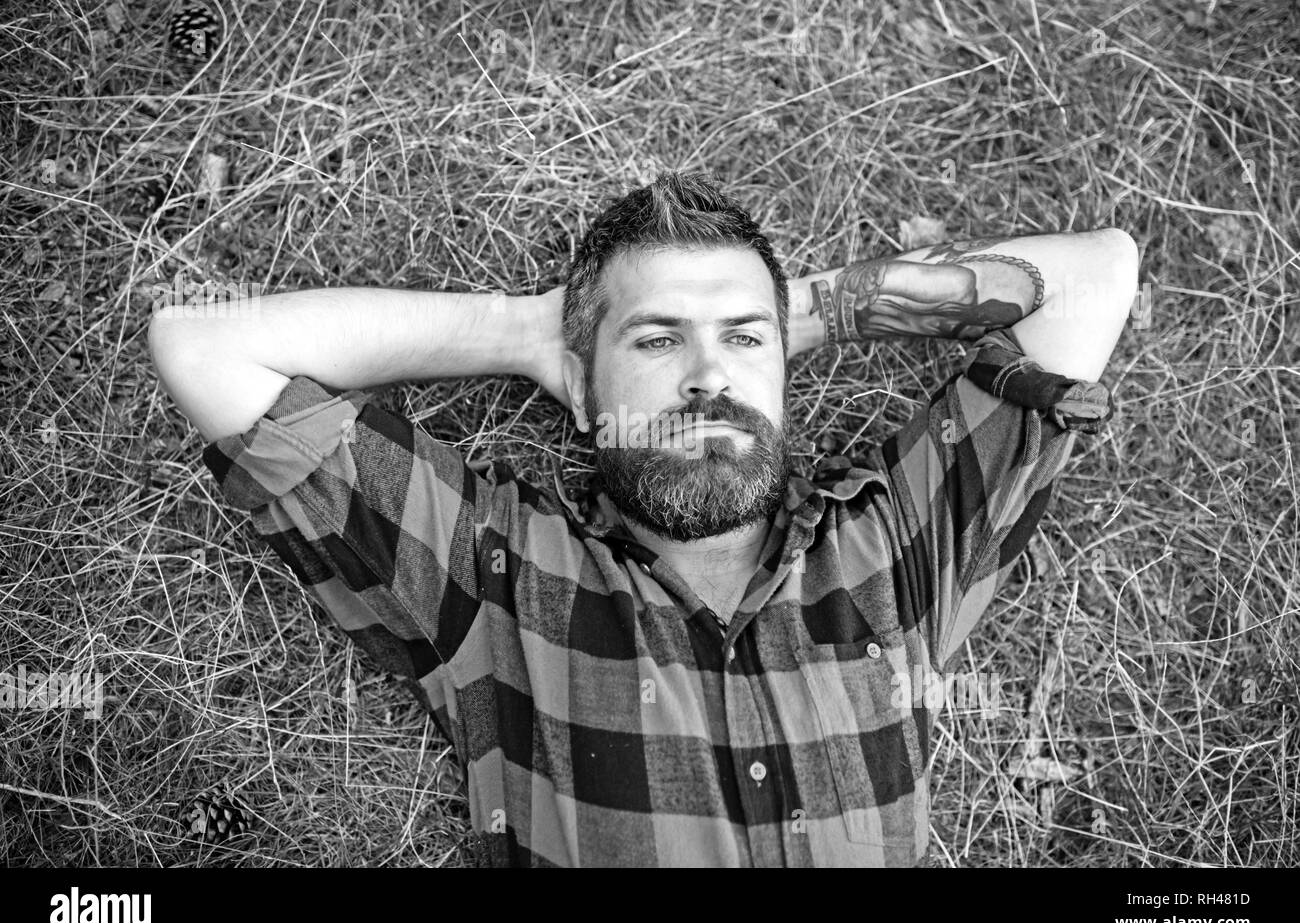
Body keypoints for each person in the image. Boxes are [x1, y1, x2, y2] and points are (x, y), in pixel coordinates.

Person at [149, 170, 1137, 866]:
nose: (709, 375)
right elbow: (205, 347)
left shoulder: (896, 548)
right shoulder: (496, 572)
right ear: (581, 388)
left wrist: (816, 311)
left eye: (746, 342)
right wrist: (522, 329)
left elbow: (1094, 275)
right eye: (657, 341)